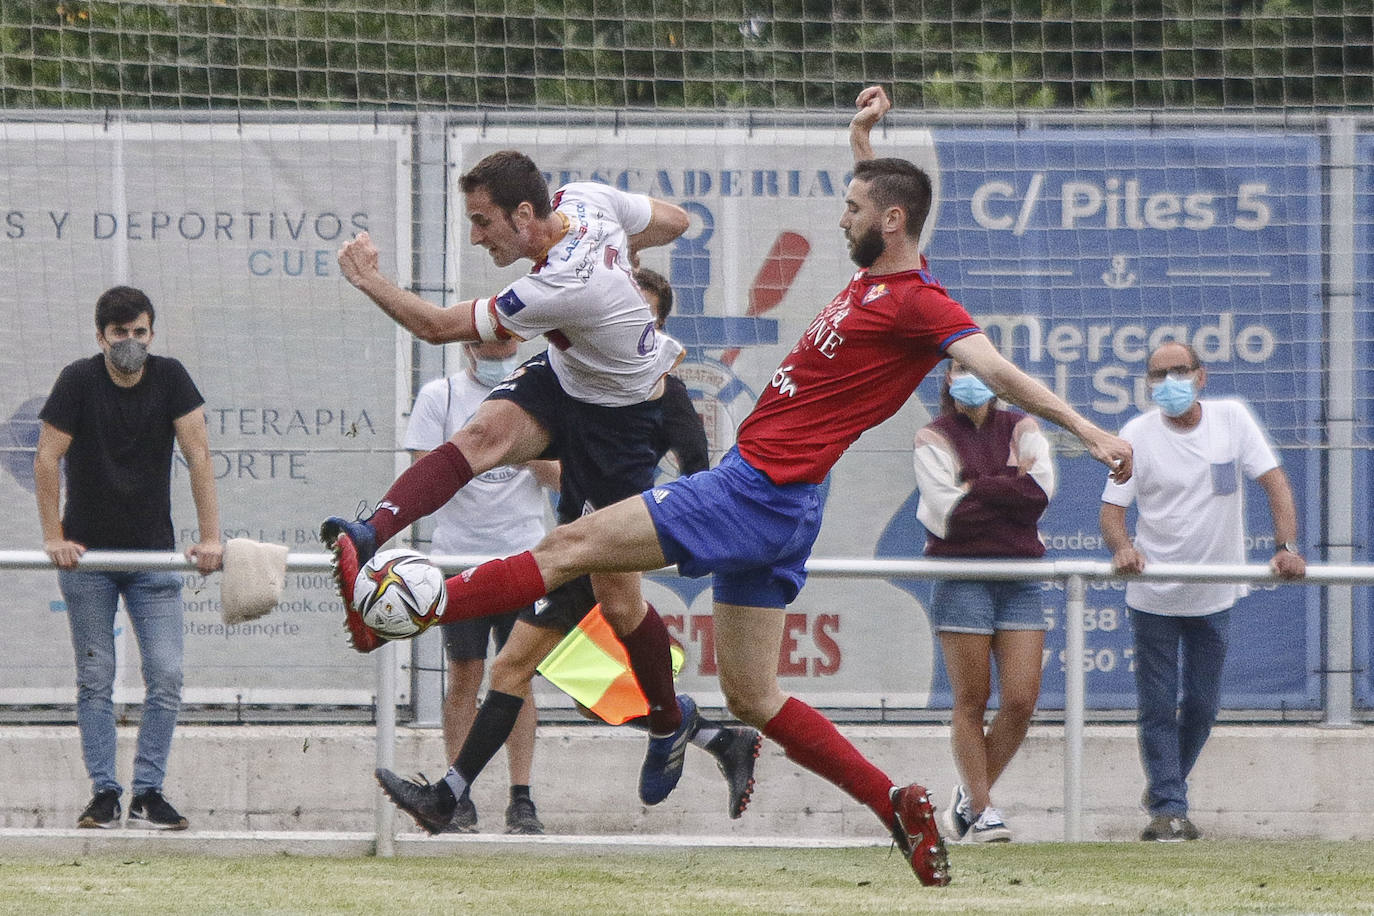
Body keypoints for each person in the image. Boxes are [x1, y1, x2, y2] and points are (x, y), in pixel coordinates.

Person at [339, 86, 1133, 886]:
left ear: (888, 222)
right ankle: (897, 806)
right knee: (754, 696)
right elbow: (886, 205)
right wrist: (863, 143)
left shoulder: (920, 304)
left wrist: (1090, 430)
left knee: (567, 544)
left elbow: (995, 369)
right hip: (793, 504)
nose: (843, 216)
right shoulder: (889, 275)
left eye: (855, 207)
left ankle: (409, 609)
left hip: (758, 488)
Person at [325, 149, 702, 807]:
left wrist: (367, 279)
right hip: (569, 381)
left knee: (617, 602)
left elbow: (438, 327)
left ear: (525, 214)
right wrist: (621, 250)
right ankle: (368, 532)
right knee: (479, 436)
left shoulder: (557, 286)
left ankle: (669, 722)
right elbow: (675, 221)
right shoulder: (586, 200)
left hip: (619, 425)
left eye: (483, 221)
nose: (476, 236)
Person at [375, 279, 760, 834]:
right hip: (570, 550)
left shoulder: (669, 397)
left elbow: (698, 482)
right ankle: (717, 738)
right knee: (585, 693)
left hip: (594, 556)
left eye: (642, 323)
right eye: (619, 322)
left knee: (511, 670)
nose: (623, 336)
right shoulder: (580, 383)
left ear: (656, 333)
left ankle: (455, 797)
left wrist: (658, 538)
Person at [34, 285, 223, 831]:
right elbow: (48, 460)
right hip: (87, 558)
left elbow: (199, 455)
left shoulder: (171, 378)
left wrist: (210, 537)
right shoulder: (78, 379)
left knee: (165, 674)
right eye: (120, 334)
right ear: (101, 337)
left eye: (140, 333)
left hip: (152, 556)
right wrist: (54, 537)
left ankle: (147, 791)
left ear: (151, 335)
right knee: (96, 678)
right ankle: (104, 792)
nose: (130, 344)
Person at [1099, 341, 1305, 843]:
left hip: (1213, 595)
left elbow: (1274, 481)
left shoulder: (1232, 419)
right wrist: (1124, 548)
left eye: (1179, 371)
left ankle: (1165, 786)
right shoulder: (1135, 434)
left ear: (1201, 376)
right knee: (1156, 704)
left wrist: (1285, 546)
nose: (1169, 382)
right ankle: (1169, 809)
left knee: (1203, 705)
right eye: (1157, 375)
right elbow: (1112, 510)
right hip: (1153, 597)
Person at [405, 338, 559, 834]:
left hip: (524, 559)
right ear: (468, 347)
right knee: (465, 676)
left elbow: (562, 478)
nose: (496, 355)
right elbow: (422, 479)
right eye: (486, 347)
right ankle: (458, 793)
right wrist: (477, 453)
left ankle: (522, 796)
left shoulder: (540, 397)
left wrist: (529, 454)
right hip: (459, 560)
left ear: (518, 344)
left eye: (505, 345)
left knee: (517, 676)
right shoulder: (440, 397)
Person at [911, 360, 1056, 844]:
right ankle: (986, 808)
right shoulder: (933, 437)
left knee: (1020, 700)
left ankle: (970, 797)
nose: (970, 378)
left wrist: (978, 486)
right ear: (948, 378)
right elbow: (947, 513)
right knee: (972, 700)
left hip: (1019, 577)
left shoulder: (1022, 426)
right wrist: (1006, 491)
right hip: (963, 577)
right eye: (959, 369)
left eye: (979, 368)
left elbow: (1039, 493)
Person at [635, 267, 709, 478]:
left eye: (643, 314)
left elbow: (696, 462)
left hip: (624, 502)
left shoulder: (669, 391)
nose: (630, 321)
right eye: (625, 308)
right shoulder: (574, 365)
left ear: (658, 324)